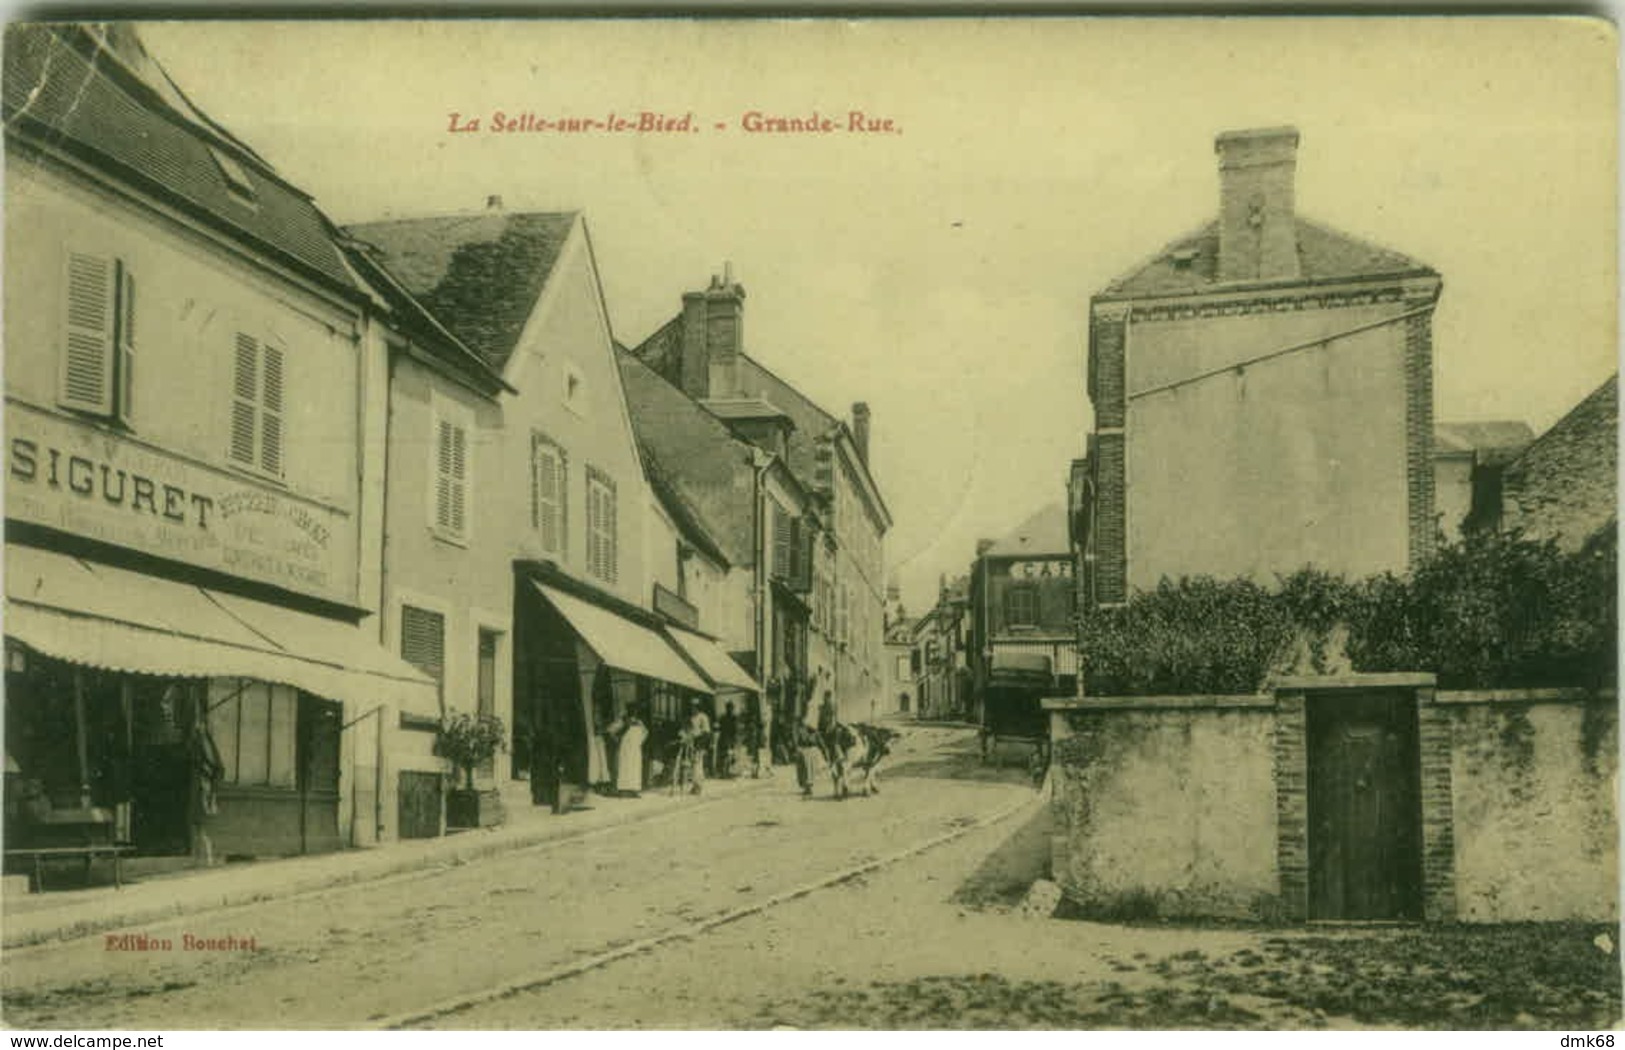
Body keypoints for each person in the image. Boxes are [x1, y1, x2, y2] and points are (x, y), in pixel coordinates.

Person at [615, 710, 648, 797]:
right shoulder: (623, 721)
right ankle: (623, 789)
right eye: (631, 715)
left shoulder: (640, 723)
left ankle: (634, 790)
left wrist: (639, 742)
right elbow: (613, 730)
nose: (633, 718)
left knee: (635, 768)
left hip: (635, 749)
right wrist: (618, 740)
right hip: (626, 748)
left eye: (634, 715)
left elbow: (645, 733)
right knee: (625, 767)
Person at [683, 700, 711, 795]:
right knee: (693, 765)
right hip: (692, 743)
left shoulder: (703, 717)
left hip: (699, 743)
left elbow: (706, 732)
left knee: (698, 765)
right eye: (692, 707)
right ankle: (695, 786)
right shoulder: (691, 718)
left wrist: (700, 742)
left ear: (698, 707)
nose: (693, 708)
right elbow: (689, 729)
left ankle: (698, 786)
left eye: (695, 707)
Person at [716, 701, 738, 778]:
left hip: (728, 738)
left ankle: (726, 772)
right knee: (726, 755)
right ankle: (725, 772)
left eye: (730, 708)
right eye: (729, 708)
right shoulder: (728, 718)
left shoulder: (731, 718)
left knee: (728, 756)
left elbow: (735, 729)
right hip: (726, 738)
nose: (730, 709)